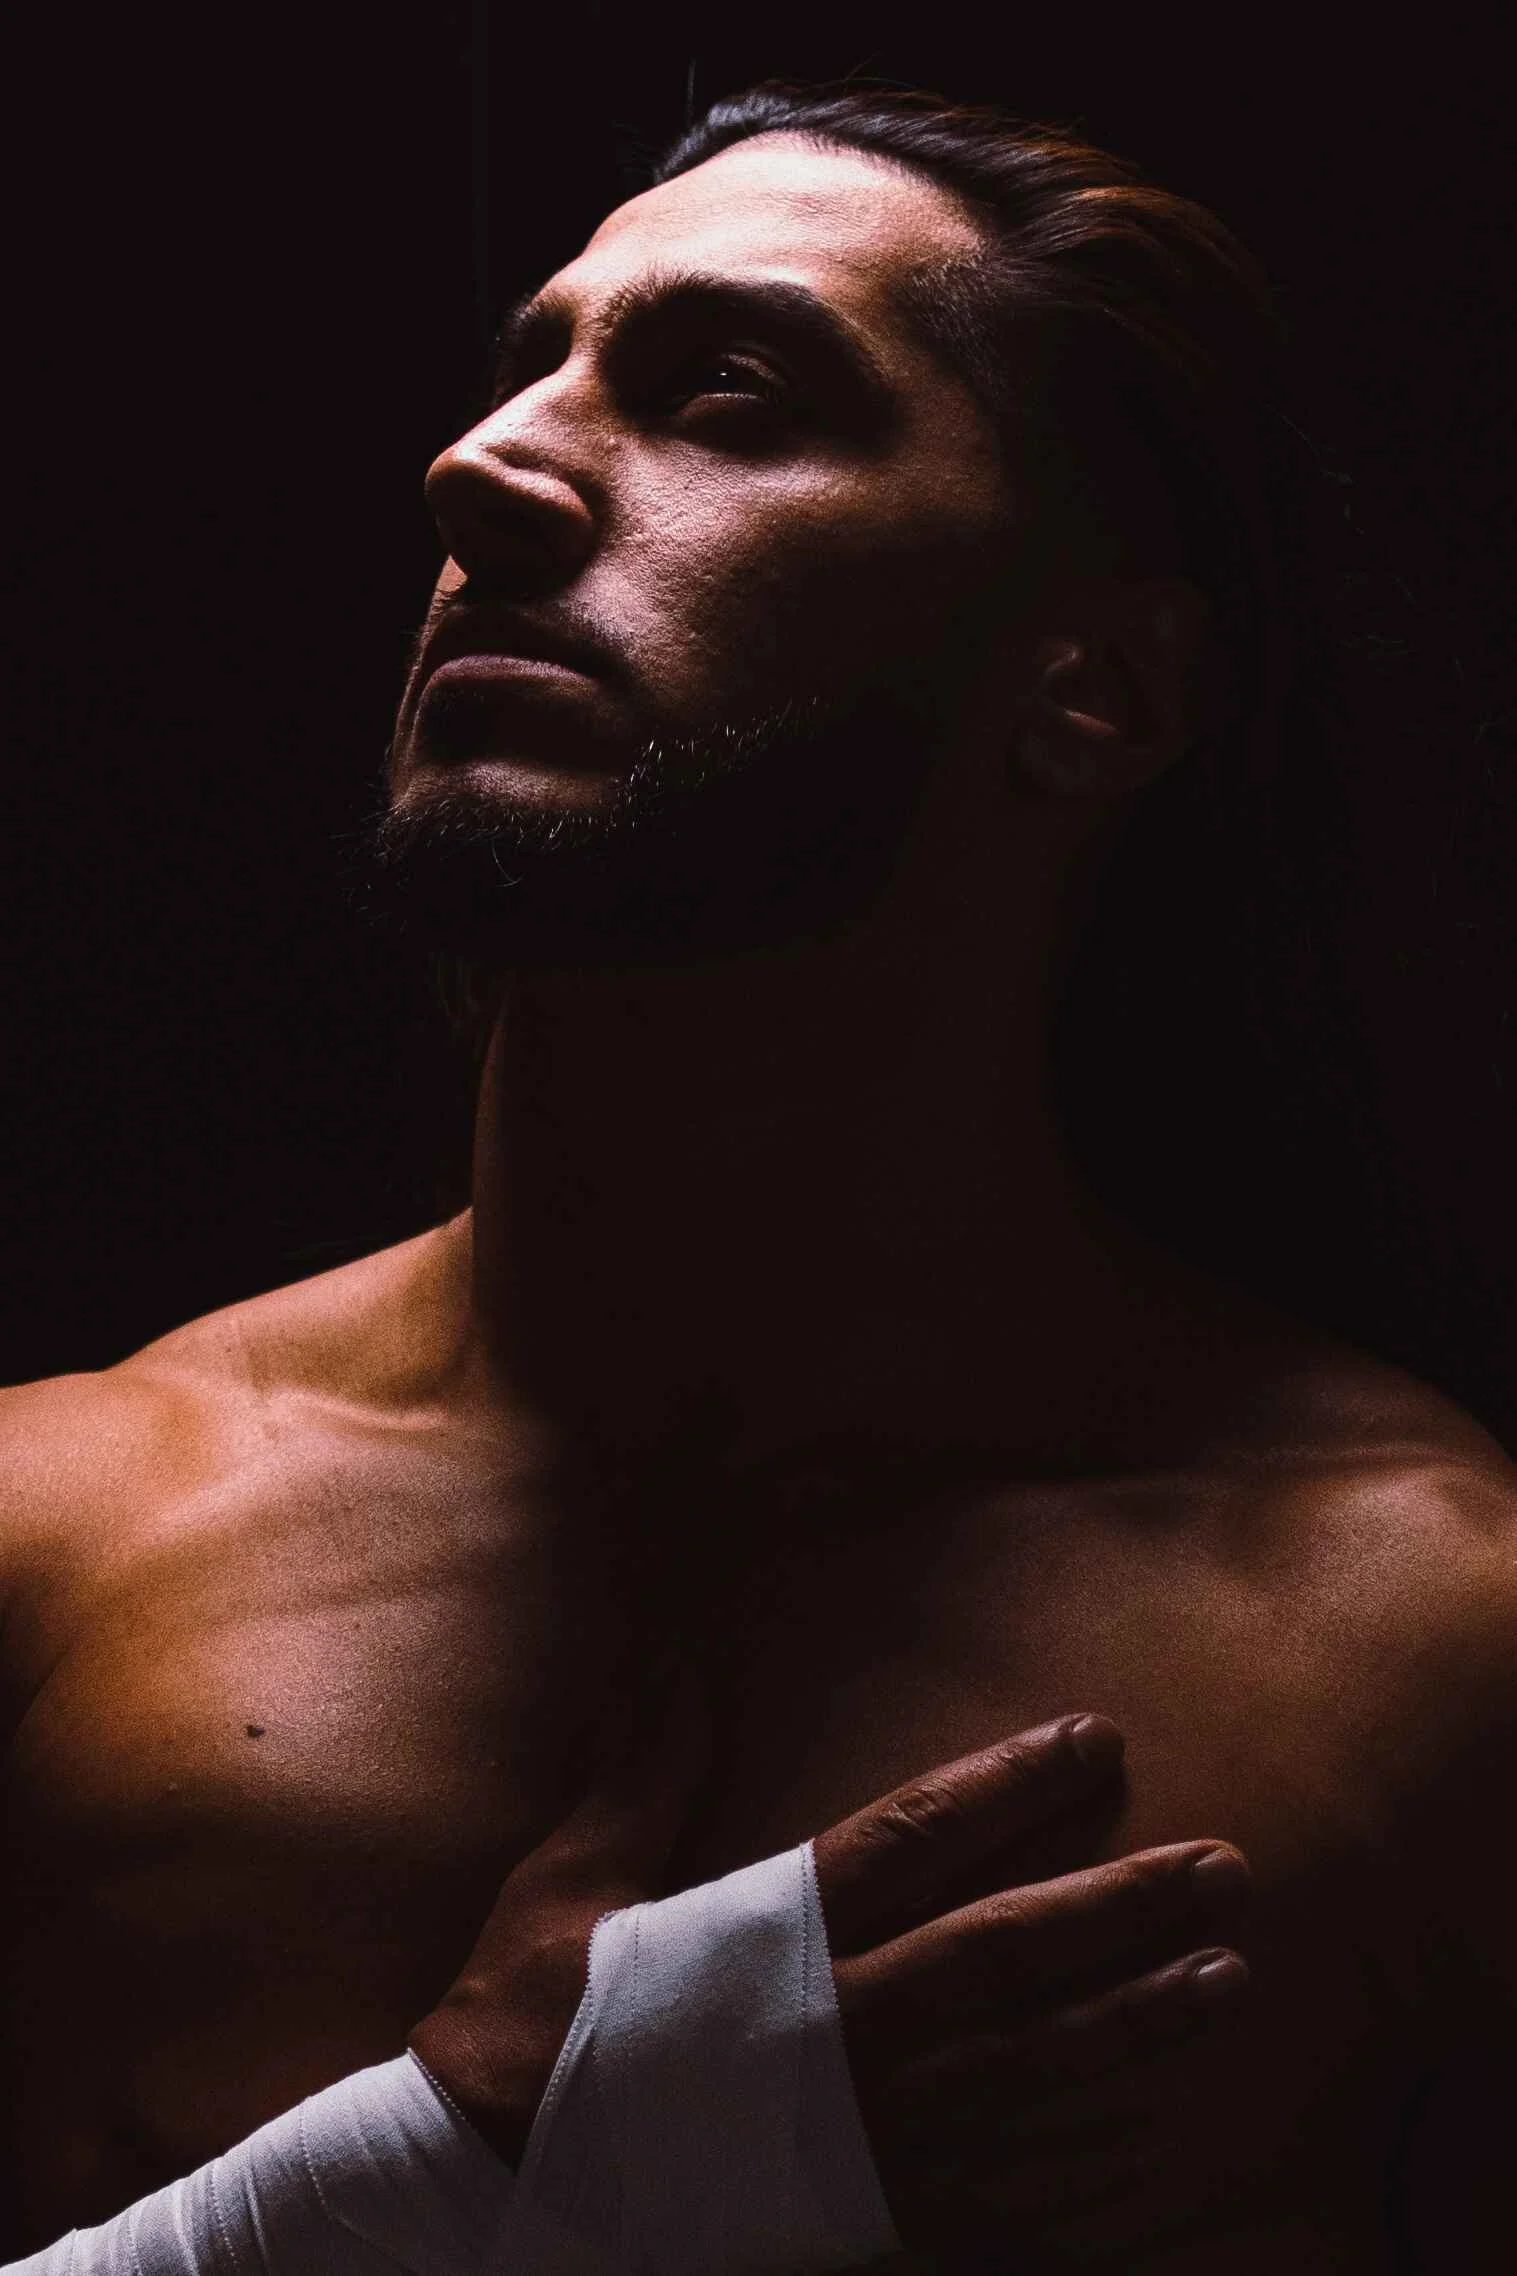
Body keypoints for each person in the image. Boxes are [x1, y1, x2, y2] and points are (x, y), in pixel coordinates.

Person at [3, 81, 1515, 2271]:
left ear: (1089, 688)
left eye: (727, 391)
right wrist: (425, 2171)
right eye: (530, 360)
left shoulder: (1428, 1660)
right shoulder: (56, 1545)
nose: (486, 464)